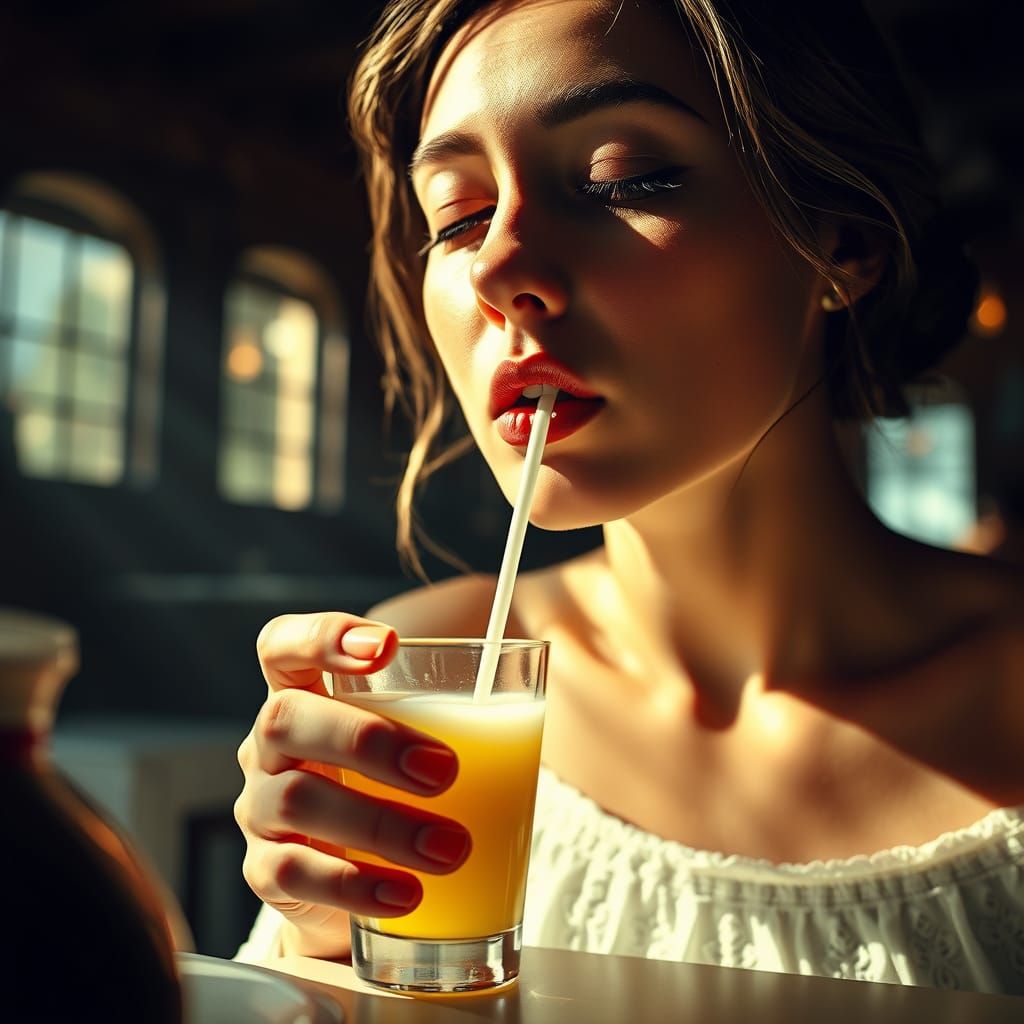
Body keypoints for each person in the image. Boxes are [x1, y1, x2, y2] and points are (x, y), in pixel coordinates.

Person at [233, 0, 1024, 993]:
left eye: (621, 178)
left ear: (842, 242)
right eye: (459, 215)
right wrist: (322, 958)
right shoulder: (419, 682)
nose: (501, 266)